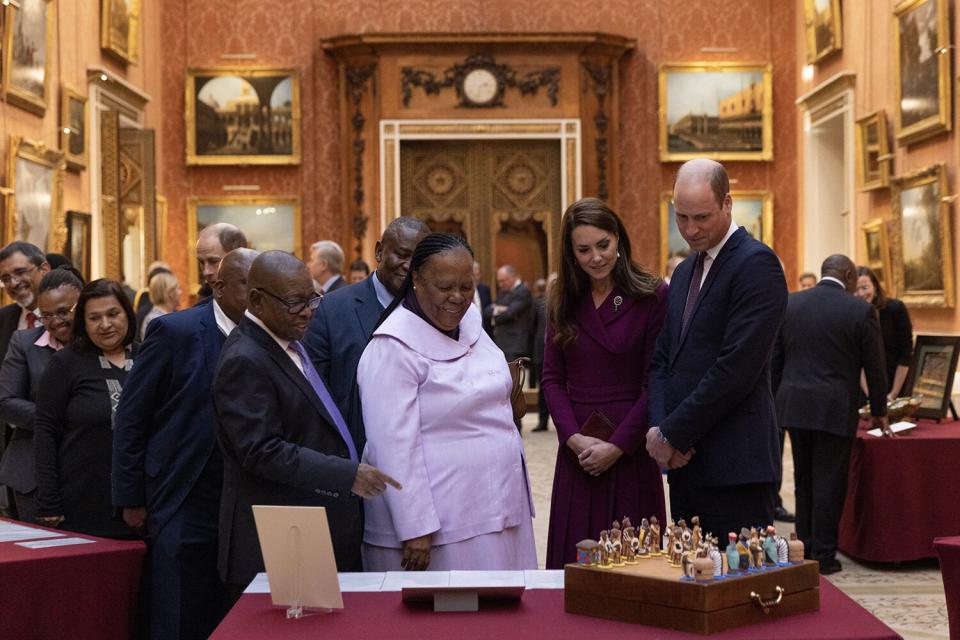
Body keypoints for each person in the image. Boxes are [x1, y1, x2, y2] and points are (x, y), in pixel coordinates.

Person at [213, 251, 398, 596]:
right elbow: (261, 451)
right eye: (296, 302)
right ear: (257, 300)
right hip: (278, 535)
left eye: (313, 297)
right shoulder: (245, 359)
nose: (310, 310)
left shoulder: (288, 340)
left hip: (310, 525)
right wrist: (346, 474)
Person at [357, 233, 536, 571]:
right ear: (416, 281)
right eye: (444, 287)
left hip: (496, 504)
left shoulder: (470, 322)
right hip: (442, 524)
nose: (457, 298)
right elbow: (393, 448)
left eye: (466, 287)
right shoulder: (391, 348)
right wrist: (416, 528)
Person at [112, 249, 258, 640]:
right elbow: (132, 416)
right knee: (178, 608)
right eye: (247, 285)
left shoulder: (270, 334)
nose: (257, 294)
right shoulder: (176, 331)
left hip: (245, 500)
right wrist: (131, 496)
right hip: (183, 492)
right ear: (218, 286)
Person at [647, 159, 788, 540]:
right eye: (681, 217)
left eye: (702, 217)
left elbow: (735, 370)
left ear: (727, 204)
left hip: (735, 467)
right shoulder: (683, 272)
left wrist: (673, 433)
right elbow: (664, 359)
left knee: (736, 588)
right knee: (691, 584)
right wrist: (660, 428)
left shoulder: (757, 264)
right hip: (685, 465)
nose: (690, 230)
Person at [542, 199, 668, 568]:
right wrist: (573, 438)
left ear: (619, 241)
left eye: (603, 245)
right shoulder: (561, 298)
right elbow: (551, 378)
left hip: (630, 442)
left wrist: (616, 447)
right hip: (578, 447)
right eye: (584, 249)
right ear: (571, 252)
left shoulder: (651, 295)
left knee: (635, 563)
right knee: (576, 560)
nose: (596, 257)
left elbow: (655, 380)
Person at [773, 255, 889, 575]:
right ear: (849, 276)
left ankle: (805, 547)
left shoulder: (791, 304)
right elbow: (875, 367)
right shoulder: (860, 310)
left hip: (794, 405)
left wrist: (775, 403)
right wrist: (880, 410)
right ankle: (824, 555)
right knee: (830, 481)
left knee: (803, 479)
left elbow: (776, 360)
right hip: (835, 407)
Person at [304, 217, 430, 451]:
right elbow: (313, 397)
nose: (409, 265)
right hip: (355, 462)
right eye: (401, 254)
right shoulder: (331, 311)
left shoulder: (435, 312)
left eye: (418, 258)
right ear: (379, 252)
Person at [33, 280, 138, 538]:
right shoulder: (66, 364)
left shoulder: (149, 357)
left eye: (113, 314)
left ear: (127, 312)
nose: (105, 324)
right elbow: (45, 432)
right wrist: (50, 502)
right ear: (83, 322)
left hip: (145, 503)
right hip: (83, 502)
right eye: (95, 317)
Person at [0, 267, 83, 524]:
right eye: (47, 315)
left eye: (63, 312)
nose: (56, 321)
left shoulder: (100, 346)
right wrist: (61, 419)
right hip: (32, 476)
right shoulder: (24, 343)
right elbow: (6, 402)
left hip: (86, 472)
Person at [0, 242, 50, 517]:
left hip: (58, 453)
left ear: (44, 268)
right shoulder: (4, 320)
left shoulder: (71, 321)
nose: (14, 283)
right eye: (6, 278)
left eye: (20, 272)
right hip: (11, 459)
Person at [855, 266, 913, 399]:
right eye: (856, 290)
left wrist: (894, 393)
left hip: (898, 383)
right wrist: (871, 396)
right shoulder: (852, 315)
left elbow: (905, 353)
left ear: (875, 287)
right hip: (865, 388)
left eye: (865, 288)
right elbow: (856, 360)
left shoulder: (895, 309)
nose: (861, 294)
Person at [485, 265, 533, 362]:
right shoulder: (503, 292)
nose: (500, 284)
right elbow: (487, 311)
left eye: (502, 281)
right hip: (502, 343)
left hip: (515, 345)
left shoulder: (523, 291)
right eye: (499, 281)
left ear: (512, 277)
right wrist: (499, 309)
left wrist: (495, 316)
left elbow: (510, 313)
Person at [196, 223, 247, 301]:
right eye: (202, 262)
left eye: (214, 261)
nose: (206, 272)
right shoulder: (204, 297)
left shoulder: (266, 299)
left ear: (238, 258)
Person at [140, 271, 182, 340]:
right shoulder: (156, 321)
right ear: (170, 293)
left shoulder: (168, 316)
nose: (180, 292)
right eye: (178, 288)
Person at [530, 277, 549, 432]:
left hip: (564, 351)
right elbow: (532, 328)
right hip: (540, 352)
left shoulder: (570, 303)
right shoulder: (538, 304)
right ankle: (542, 421)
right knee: (543, 388)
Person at [472, 261, 493, 335]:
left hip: (484, 331)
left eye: (478, 275)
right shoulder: (461, 291)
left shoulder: (485, 289)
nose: (476, 278)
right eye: (474, 275)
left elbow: (488, 309)